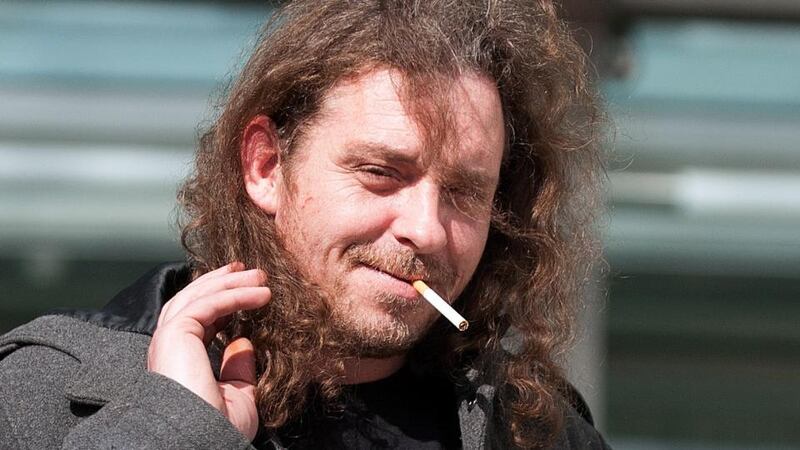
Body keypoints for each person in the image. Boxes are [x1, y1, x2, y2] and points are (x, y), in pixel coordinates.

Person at [0, 0, 608, 448]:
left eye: (464, 192)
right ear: (266, 166)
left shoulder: (538, 428)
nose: (425, 228)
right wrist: (173, 428)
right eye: (380, 172)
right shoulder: (39, 389)